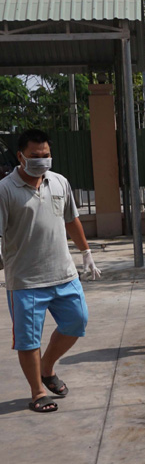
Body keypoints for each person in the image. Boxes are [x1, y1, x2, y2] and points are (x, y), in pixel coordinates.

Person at [0, 129, 101, 413]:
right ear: (20, 156)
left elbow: (71, 220)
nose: (42, 161)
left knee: (76, 322)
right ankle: (38, 391)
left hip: (64, 274)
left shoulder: (59, 182)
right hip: (25, 281)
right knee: (28, 339)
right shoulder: (5, 190)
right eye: (35, 157)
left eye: (46, 156)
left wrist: (86, 253)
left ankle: (47, 368)